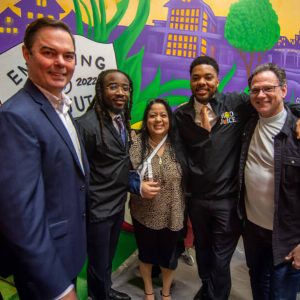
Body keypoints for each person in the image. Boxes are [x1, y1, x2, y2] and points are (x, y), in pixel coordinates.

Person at [174, 55, 300, 300]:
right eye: (196, 77)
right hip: (198, 200)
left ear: (217, 81)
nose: (202, 82)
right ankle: (207, 287)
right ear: (190, 81)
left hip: (227, 202)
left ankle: (215, 295)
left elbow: (275, 103)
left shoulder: (234, 106)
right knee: (203, 252)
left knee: (221, 260)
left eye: (208, 77)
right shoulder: (182, 116)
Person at [0, 17, 89, 300]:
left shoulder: (61, 108)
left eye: (68, 56)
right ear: (27, 54)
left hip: (68, 250)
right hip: (45, 268)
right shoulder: (16, 116)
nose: (60, 63)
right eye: (48, 53)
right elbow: (21, 217)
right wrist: (60, 289)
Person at [76, 70, 157, 300]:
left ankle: (103, 290)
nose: (121, 92)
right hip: (97, 209)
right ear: (100, 90)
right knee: (98, 259)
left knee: (107, 257)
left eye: (125, 88)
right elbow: (79, 173)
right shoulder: (86, 125)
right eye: (113, 86)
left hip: (116, 205)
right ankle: (99, 295)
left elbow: (120, 164)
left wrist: (136, 185)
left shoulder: (121, 119)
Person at [239, 63, 300, 299]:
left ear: (283, 90)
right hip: (253, 230)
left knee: (281, 295)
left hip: (287, 236)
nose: (261, 95)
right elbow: (223, 113)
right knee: (258, 285)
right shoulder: (248, 121)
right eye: (255, 90)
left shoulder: (295, 131)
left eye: (268, 89)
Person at [129, 98, 188, 300]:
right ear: (146, 120)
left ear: (170, 119)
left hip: (174, 213)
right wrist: (137, 186)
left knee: (169, 258)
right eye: (153, 115)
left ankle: (165, 291)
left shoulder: (180, 144)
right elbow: (122, 175)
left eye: (163, 115)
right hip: (144, 213)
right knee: (145, 254)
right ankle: (147, 290)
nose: (158, 119)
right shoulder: (135, 143)